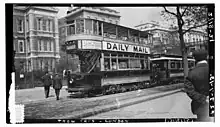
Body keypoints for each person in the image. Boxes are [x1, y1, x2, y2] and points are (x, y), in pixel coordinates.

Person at [184, 50, 211, 122]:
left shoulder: (191, 73)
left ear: (194, 59)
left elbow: (189, 90)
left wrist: (204, 98)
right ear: (207, 57)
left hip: (200, 107)